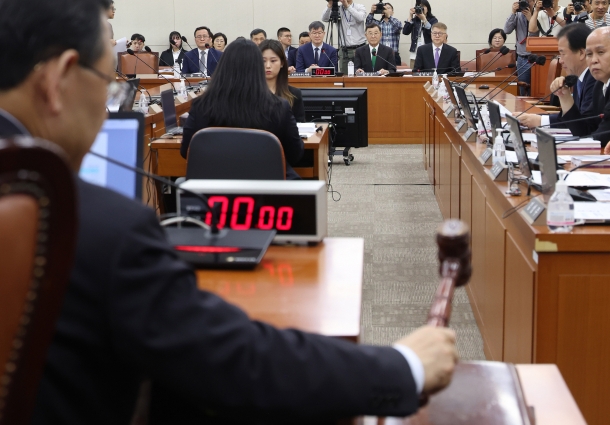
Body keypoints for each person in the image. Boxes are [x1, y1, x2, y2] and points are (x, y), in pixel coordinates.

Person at [0, 0, 459, 423]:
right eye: (108, 84)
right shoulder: (86, 225)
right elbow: (235, 360)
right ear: (57, 81)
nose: (108, 109)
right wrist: (403, 366)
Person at [181, 38, 304, 179]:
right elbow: (295, 154)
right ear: (258, 67)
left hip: (212, 190)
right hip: (267, 189)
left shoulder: (200, 105)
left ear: (223, 66)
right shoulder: (279, 107)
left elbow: (187, 151)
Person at [555, 27, 610, 146]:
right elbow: (584, 129)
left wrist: (565, 145)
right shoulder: (601, 83)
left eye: (600, 52)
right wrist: (565, 97)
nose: (593, 60)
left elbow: (605, 136)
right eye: (589, 54)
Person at [518, 23, 596, 128]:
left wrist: (540, 120)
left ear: (582, 53)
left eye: (563, 54)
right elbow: (573, 118)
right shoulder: (579, 77)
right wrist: (536, 119)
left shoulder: (595, 79)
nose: (561, 61)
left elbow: (583, 123)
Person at [260, 39, 305, 122]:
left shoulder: (294, 94)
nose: (268, 66)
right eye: (263, 61)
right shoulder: (250, 93)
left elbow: (300, 127)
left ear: (282, 63)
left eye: (273, 61)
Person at [322, 0, 367, 73]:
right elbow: (324, 18)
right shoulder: (338, 9)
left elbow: (360, 18)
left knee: (362, 74)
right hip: (344, 50)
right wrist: (330, 4)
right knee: (345, 76)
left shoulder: (360, 7)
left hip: (360, 48)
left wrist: (347, 6)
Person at [504, 0, 535, 95]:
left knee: (537, 91)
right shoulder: (518, 15)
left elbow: (539, 34)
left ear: (534, 2)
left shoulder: (540, 14)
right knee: (523, 90)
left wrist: (531, 19)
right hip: (522, 58)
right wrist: (513, 12)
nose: (526, 4)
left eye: (528, 1)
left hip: (537, 59)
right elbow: (506, 30)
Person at [403, 0, 438, 70]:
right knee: (414, 74)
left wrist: (424, 19)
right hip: (415, 53)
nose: (421, 8)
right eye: (419, 7)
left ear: (428, 8)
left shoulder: (433, 20)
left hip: (429, 53)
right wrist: (410, 16)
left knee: (428, 73)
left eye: (423, 7)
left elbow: (432, 33)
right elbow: (405, 31)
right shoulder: (414, 20)